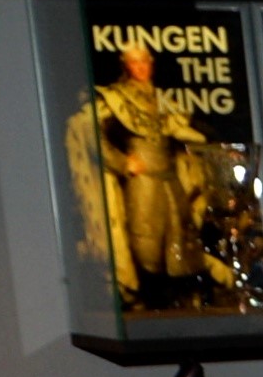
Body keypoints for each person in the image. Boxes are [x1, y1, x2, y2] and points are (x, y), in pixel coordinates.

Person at [90, 41, 212, 308]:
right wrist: (123, 162)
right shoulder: (116, 97)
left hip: (169, 176)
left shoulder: (162, 99)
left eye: (144, 61)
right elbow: (92, 135)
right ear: (126, 66)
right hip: (142, 180)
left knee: (179, 238)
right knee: (146, 242)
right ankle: (146, 300)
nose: (141, 67)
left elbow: (183, 130)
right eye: (135, 62)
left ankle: (175, 301)